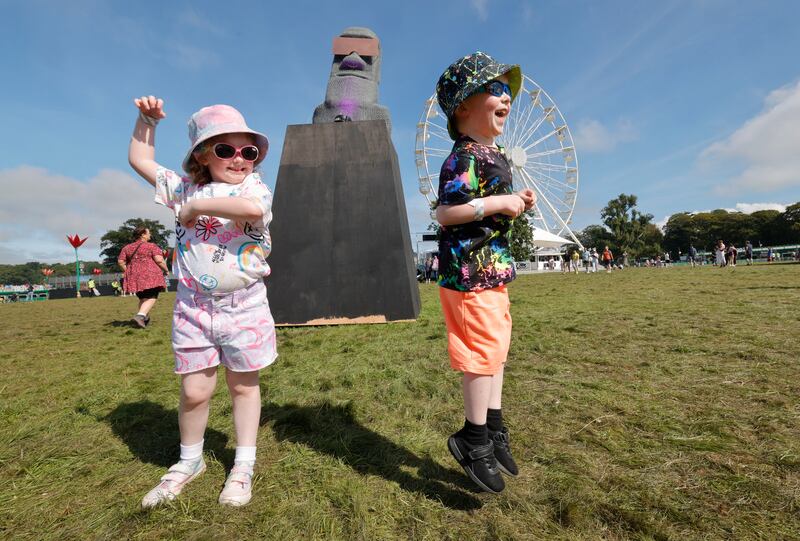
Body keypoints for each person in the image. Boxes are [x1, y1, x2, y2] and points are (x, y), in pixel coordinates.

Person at [128, 96, 277, 508]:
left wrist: (196, 206)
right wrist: (146, 122)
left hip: (244, 305)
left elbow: (249, 209)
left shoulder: (253, 187)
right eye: (225, 149)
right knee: (195, 390)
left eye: (248, 151)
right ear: (201, 154)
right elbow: (140, 159)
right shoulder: (182, 188)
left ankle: (243, 463)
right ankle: (190, 461)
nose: (239, 159)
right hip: (193, 308)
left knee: (243, 386)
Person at [434, 52, 535, 494]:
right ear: (462, 107)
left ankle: (493, 428)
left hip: (492, 272)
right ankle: (471, 439)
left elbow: (492, 209)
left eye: (507, 90)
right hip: (471, 274)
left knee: (497, 353)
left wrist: (519, 201)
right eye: (494, 89)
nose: (505, 96)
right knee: (481, 357)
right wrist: (497, 203)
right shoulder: (463, 156)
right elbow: (446, 212)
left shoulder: (491, 154)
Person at [118, 226, 169, 327]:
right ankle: (140, 316)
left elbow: (120, 262)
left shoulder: (127, 248)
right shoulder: (151, 246)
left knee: (143, 298)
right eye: (148, 233)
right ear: (143, 235)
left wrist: (128, 271)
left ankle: (144, 319)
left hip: (135, 278)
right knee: (152, 296)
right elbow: (159, 260)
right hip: (150, 276)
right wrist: (166, 270)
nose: (150, 235)